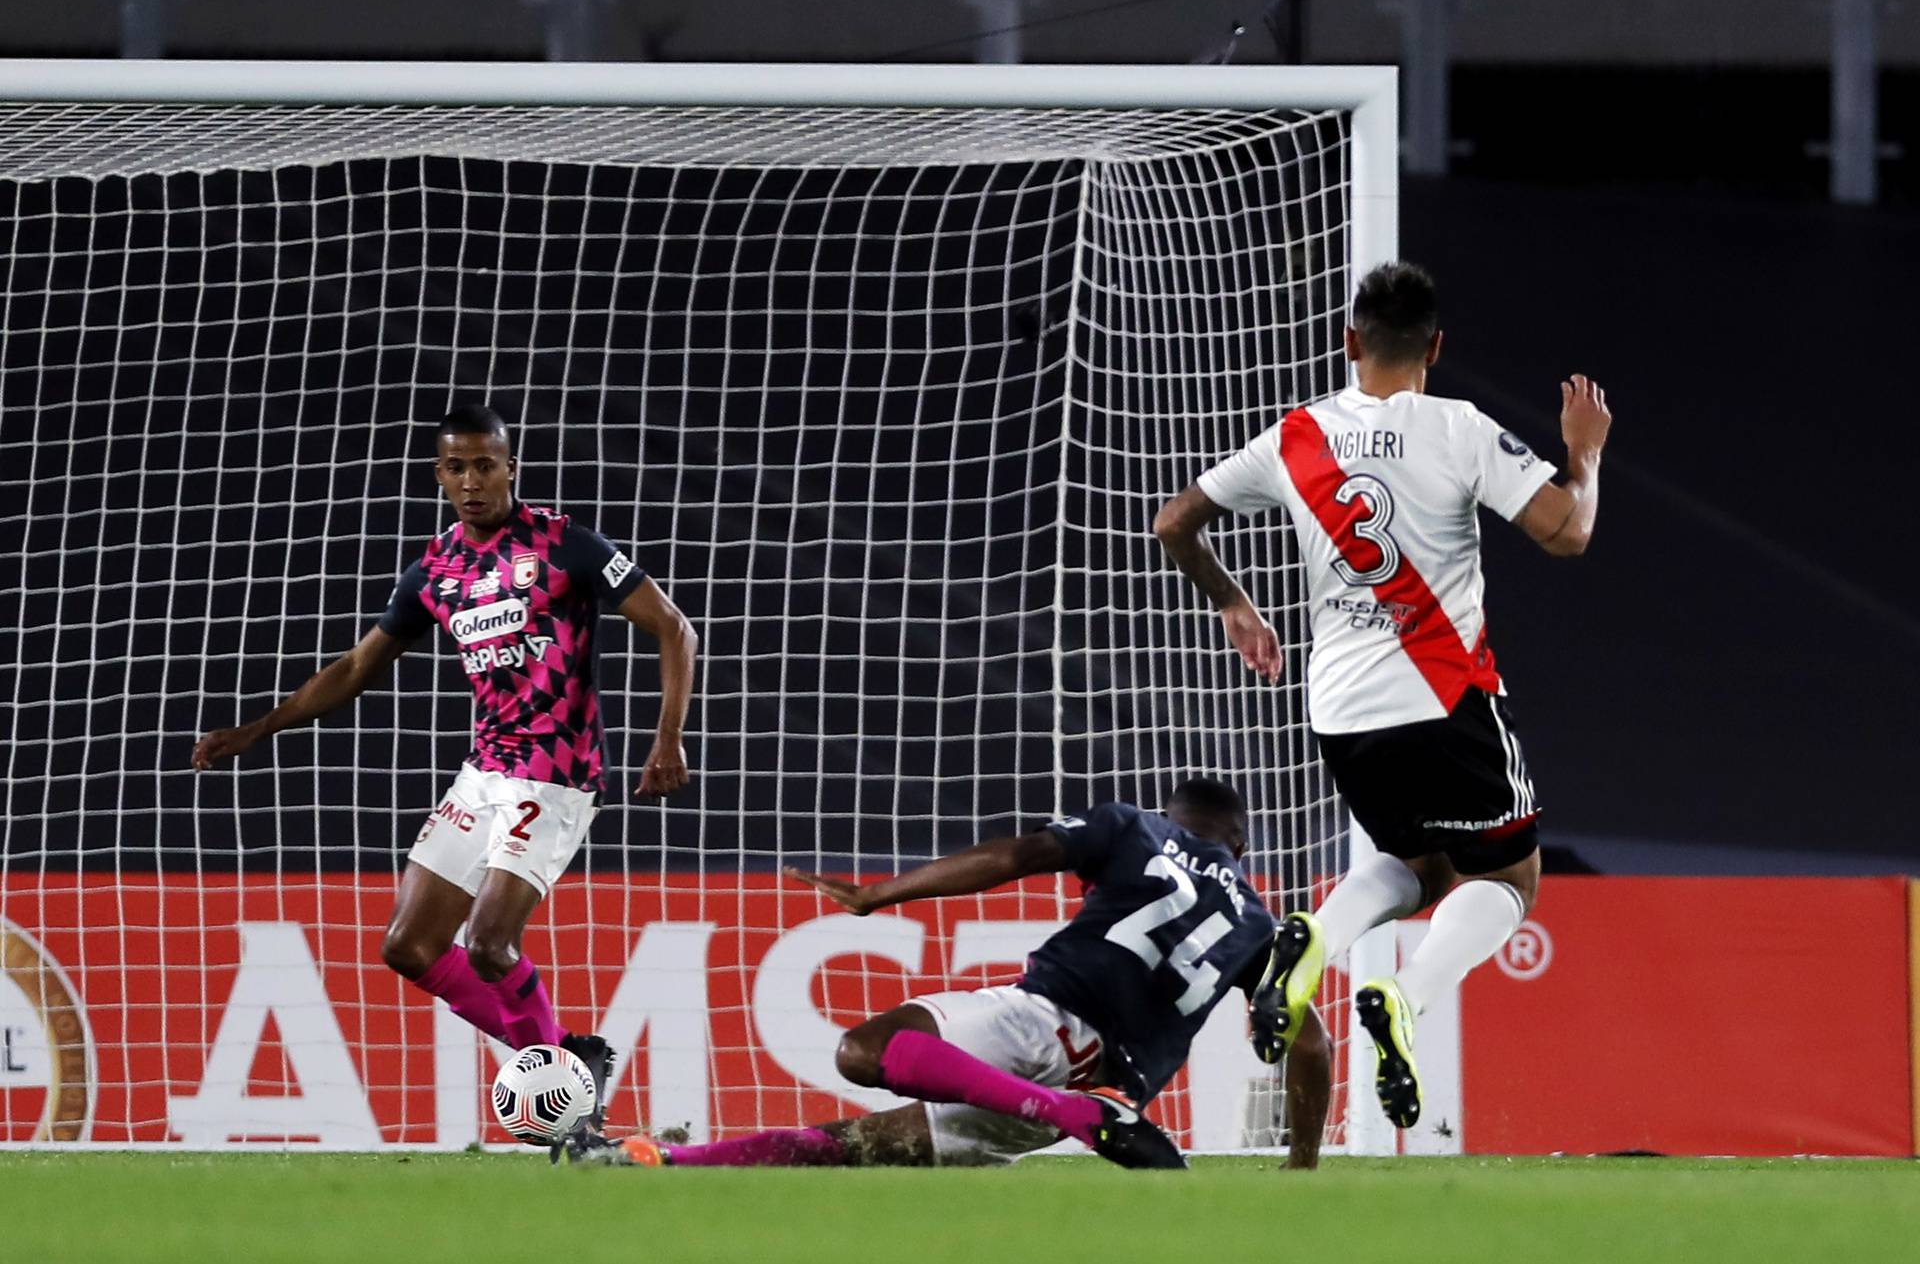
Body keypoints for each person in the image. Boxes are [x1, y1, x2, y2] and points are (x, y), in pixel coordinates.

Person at [1153, 261, 1611, 1128]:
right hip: (1444, 694)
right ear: (1435, 347)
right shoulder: (1456, 425)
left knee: (1425, 865)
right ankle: (1406, 995)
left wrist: (1232, 602)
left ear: (1351, 341)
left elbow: (1174, 521)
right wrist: (1582, 453)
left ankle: (1313, 942)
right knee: (1511, 876)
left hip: (1340, 711)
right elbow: (1568, 532)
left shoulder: (1295, 436)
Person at [191, 403, 698, 1130]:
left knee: (490, 943)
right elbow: (357, 665)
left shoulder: (564, 545)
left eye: (485, 465)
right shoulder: (437, 568)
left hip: (554, 773)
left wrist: (667, 737)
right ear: (439, 474)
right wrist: (258, 729)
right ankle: (563, 1060)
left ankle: (567, 1107)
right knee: (408, 946)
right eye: (456, 467)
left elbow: (675, 627)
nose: (472, 481)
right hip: (486, 770)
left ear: (510, 467)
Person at [565, 780, 1333, 1170]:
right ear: (1239, 841)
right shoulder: (1262, 929)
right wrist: (1300, 1168)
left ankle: (1068, 1112)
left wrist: (880, 893)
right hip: (1118, 1083)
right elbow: (1311, 1047)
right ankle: (667, 1162)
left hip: (1044, 1014)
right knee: (866, 1147)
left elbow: (1019, 856)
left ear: (1180, 816)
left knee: (863, 1052)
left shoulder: (1138, 827)